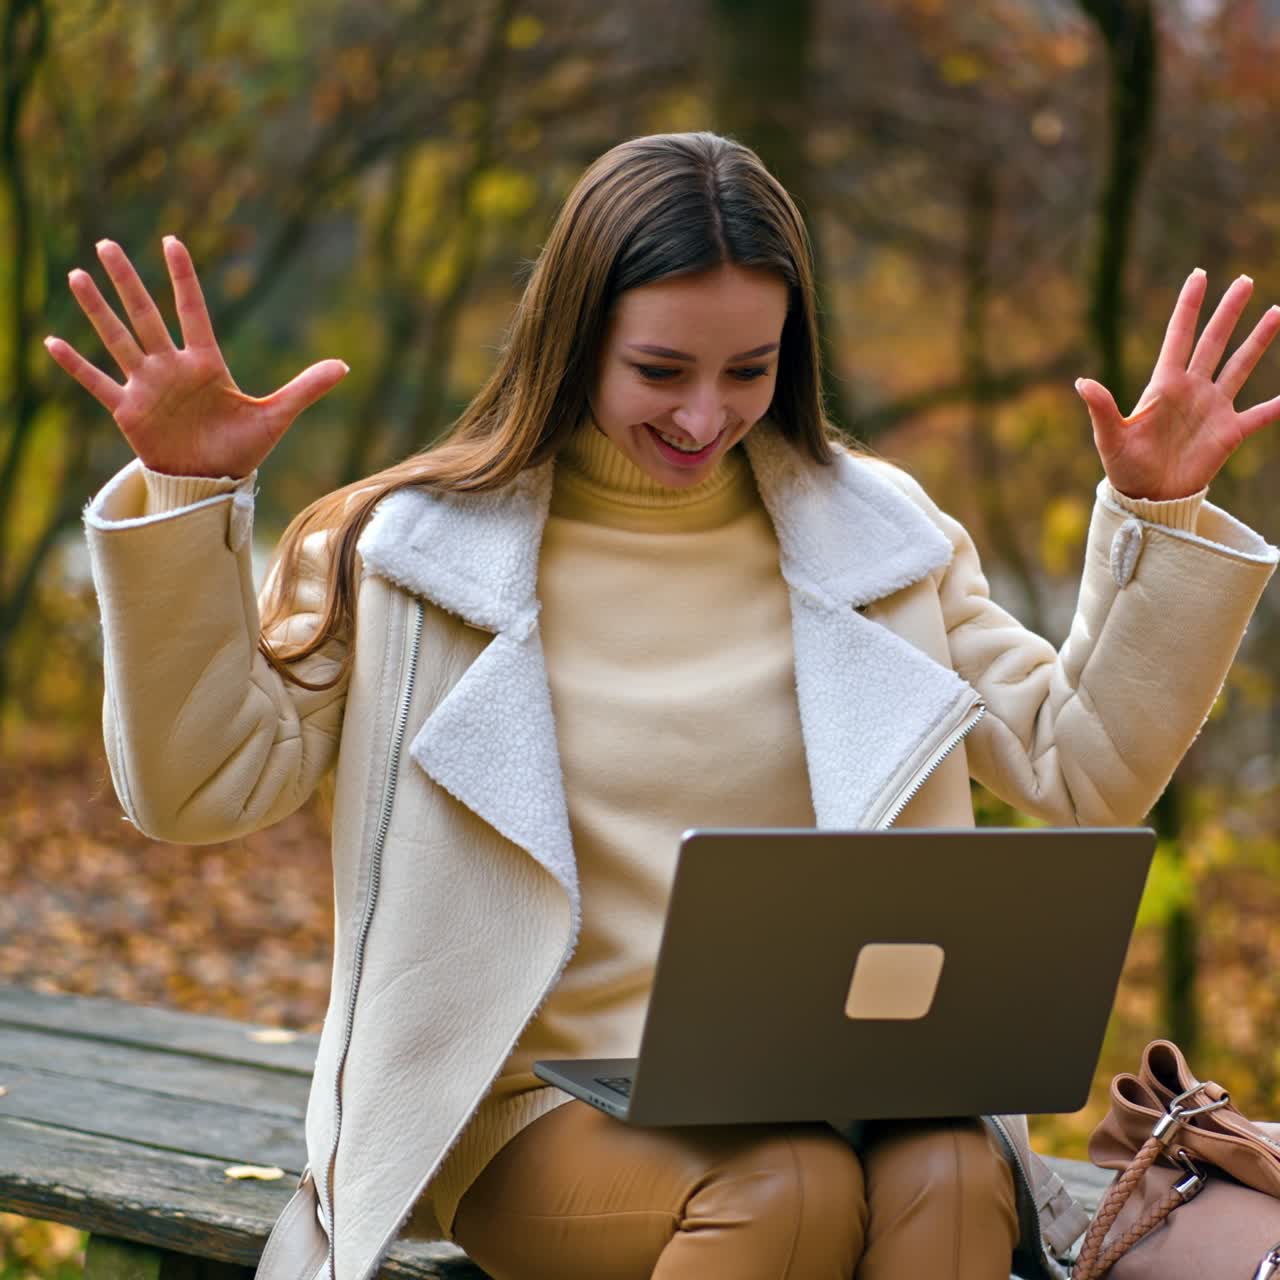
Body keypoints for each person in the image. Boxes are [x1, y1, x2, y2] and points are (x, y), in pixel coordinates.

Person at [50, 132, 1278, 1280]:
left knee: (957, 1167)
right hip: (527, 1101)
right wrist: (186, 490)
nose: (703, 416)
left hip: (840, 1077)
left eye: (749, 370)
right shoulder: (405, 551)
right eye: (658, 369)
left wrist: (1159, 522)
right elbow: (202, 788)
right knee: (783, 1184)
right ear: (572, 339)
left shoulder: (880, 534)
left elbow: (1081, 767)